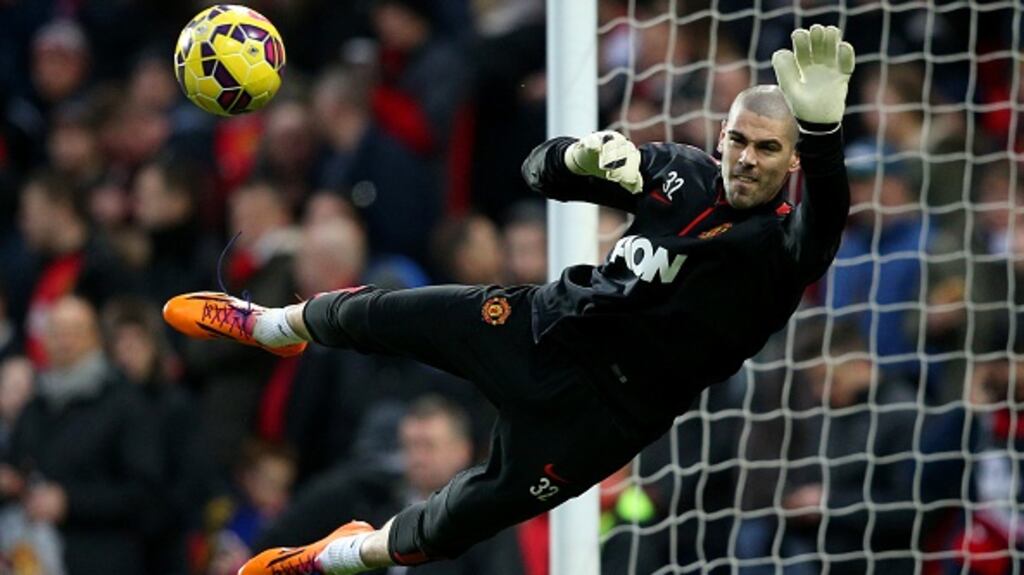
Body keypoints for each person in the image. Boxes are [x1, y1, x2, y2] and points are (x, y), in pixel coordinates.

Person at [163, 25, 856, 575]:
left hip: (601, 418)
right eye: (738, 138)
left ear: (790, 162)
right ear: (723, 133)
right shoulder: (679, 171)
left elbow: (823, 220)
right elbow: (538, 171)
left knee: (457, 521)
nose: (746, 157)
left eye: (768, 148)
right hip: (542, 324)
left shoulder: (782, 249)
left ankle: (334, 556)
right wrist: (579, 158)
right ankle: (271, 323)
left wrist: (824, 139)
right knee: (392, 311)